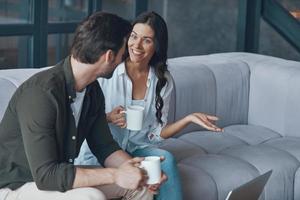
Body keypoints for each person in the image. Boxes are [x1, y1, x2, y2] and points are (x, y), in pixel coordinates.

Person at [0, 12, 166, 200]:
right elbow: (47, 175)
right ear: (109, 56)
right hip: (16, 185)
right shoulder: (41, 94)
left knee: (140, 187)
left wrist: (141, 173)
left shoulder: (92, 91)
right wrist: (116, 175)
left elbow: (105, 148)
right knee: (90, 196)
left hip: (57, 177)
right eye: (122, 52)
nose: (123, 58)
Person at [75, 11, 222, 200]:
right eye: (134, 37)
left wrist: (188, 119)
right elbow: (80, 119)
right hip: (104, 150)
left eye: (146, 40)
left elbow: (155, 133)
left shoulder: (163, 81)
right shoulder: (108, 70)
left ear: (156, 46)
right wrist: (109, 118)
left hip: (137, 148)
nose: (136, 45)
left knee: (166, 160)